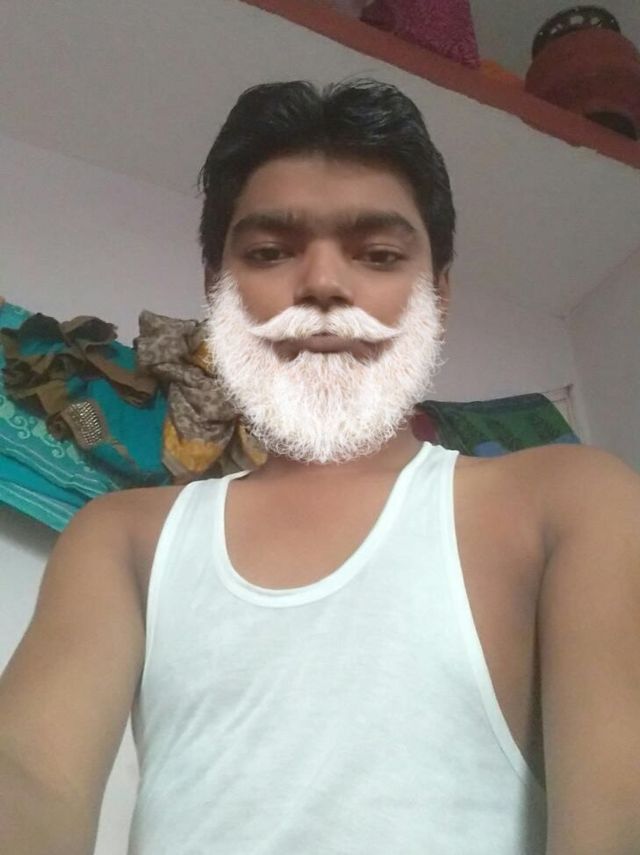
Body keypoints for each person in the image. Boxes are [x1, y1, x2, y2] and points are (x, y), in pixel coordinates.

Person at [1, 79, 639, 855]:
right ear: (218, 295)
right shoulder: (123, 540)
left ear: (437, 297)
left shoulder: (571, 505)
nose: (324, 284)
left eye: (379, 254)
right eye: (270, 252)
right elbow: (28, 779)